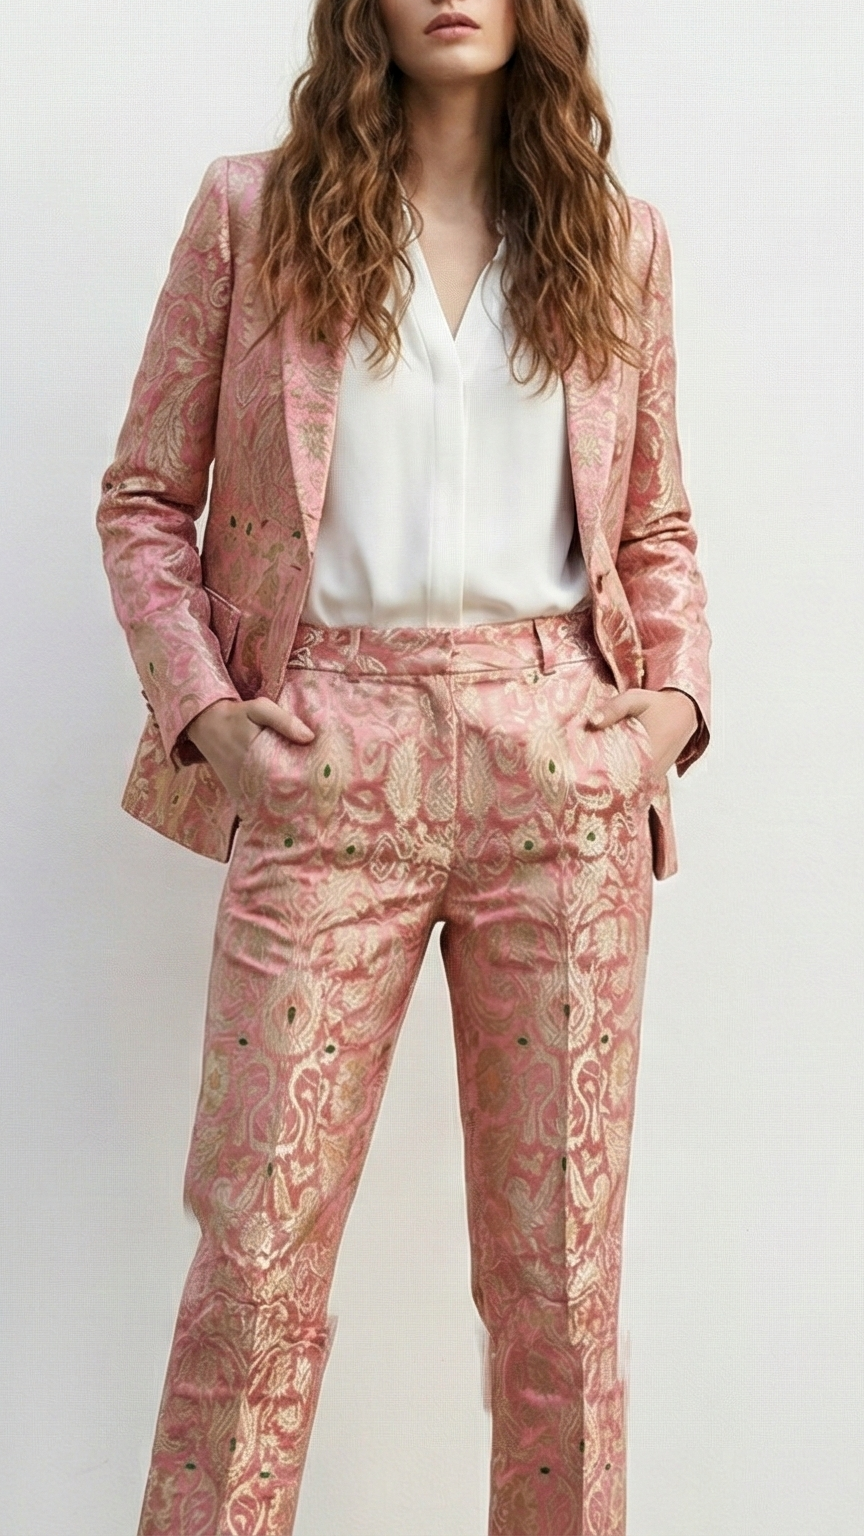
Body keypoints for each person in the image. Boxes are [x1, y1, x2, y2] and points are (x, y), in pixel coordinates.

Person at [96, 1, 710, 1531]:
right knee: (255, 1262)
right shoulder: (252, 214)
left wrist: (670, 709)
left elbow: (655, 526)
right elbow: (147, 499)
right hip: (330, 754)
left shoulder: (617, 244)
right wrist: (211, 714)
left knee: (559, 1287)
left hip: (556, 762)